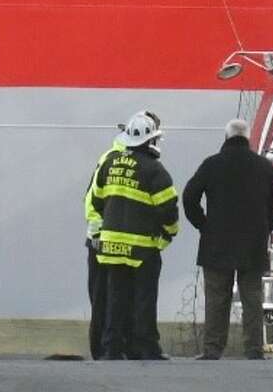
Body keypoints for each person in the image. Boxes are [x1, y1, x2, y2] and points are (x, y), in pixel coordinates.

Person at [182, 119, 273, 360]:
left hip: (216, 242)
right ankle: (254, 349)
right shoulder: (263, 166)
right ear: (247, 138)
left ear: (226, 137)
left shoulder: (212, 164)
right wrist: (265, 228)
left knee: (217, 298)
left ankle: (212, 349)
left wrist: (203, 225)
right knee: (252, 298)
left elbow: (189, 197)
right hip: (253, 244)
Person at [90, 111, 179, 360]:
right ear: (150, 141)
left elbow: (96, 199)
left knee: (115, 299)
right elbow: (168, 208)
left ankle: (112, 348)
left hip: (110, 247)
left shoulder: (109, 163)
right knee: (144, 299)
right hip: (142, 248)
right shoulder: (154, 170)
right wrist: (169, 234)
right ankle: (145, 346)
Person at [84, 122, 126, 360]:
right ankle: (103, 349)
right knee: (105, 297)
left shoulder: (110, 159)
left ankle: (105, 348)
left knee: (103, 297)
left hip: (100, 240)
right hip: (102, 242)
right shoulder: (113, 161)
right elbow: (92, 203)